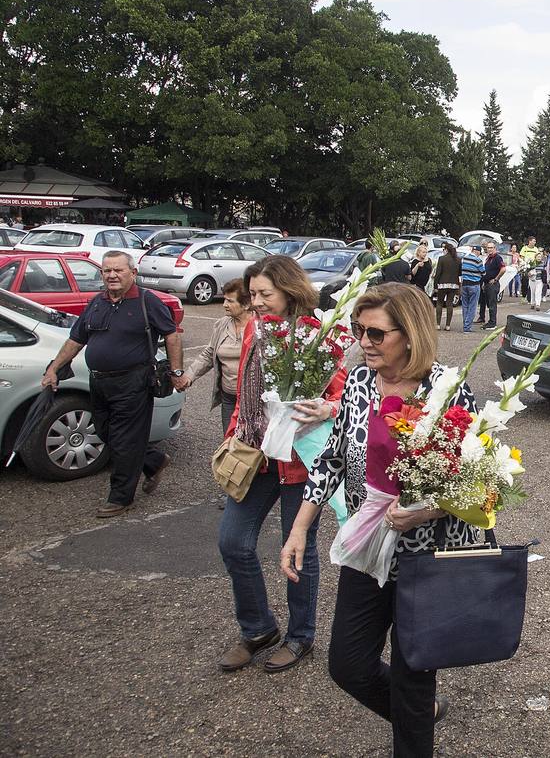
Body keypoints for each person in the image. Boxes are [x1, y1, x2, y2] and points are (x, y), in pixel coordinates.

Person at [281, 284, 478, 758]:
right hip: (366, 544)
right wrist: (300, 526)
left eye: (375, 333)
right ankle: (420, 714)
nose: (362, 341)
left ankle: (414, 722)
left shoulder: (449, 391)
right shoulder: (359, 382)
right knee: (348, 665)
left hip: (426, 555)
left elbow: (477, 484)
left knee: (413, 674)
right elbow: (332, 458)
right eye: (356, 329)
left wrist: (425, 510)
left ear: (409, 336)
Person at [217, 254, 345, 674]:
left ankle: (300, 636)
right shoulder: (255, 328)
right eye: (251, 293)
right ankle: (257, 629)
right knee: (233, 542)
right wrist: (233, 435)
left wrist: (325, 408)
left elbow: (343, 400)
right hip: (256, 455)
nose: (255, 301)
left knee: (298, 550)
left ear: (290, 292)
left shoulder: (320, 336)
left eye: (263, 294)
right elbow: (245, 391)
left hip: (300, 462)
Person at [40, 251, 184, 517]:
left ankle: (120, 497)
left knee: (125, 441)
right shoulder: (97, 302)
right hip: (100, 383)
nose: (112, 275)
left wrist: (176, 371)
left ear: (133, 273)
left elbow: (171, 335)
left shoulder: (146, 301)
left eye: (118, 270)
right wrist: (54, 368)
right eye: (107, 271)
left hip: (133, 383)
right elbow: (76, 339)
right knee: (106, 433)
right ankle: (153, 461)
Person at [183, 278, 250, 508]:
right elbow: (208, 354)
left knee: (254, 447)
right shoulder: (222, 324)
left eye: (231, 301)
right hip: (230, 398)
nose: (224, 304)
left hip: (253, 400)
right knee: (230, 444)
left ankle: (255, 491)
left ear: (246, 303)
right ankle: (234, 492)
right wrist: (189, 375)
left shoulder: (260, 325)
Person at [431, 244, 460, 330]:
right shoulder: (458, 259)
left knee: (439, 303)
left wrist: (435, 285)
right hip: (454, 284)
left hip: (442, 283)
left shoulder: (442, 259)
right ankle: (448, 325)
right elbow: (460, 273)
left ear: (446, 249)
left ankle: (438, 324)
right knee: (449, 303)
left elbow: (438, 273)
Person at [479, 241, 505, 328]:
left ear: (495, 248)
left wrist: (496, 279)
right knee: (489, 304)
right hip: (487, 284)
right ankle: (489, 321)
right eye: (488, 248)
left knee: (492, 304)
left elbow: (503, 269)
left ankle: (492, 323)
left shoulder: (497, 258)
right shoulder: (488, 258)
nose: (489, 249)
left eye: (491, 248)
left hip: (492, 284)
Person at [459, 245, 484, 333]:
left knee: (465, 305)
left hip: (464, 284)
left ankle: (465, 324)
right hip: (474, 285)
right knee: (472, 307)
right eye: (479, 253)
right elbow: (483, 272)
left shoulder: (464, 258)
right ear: (477, 252)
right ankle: (467, 327)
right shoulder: (478, 260)